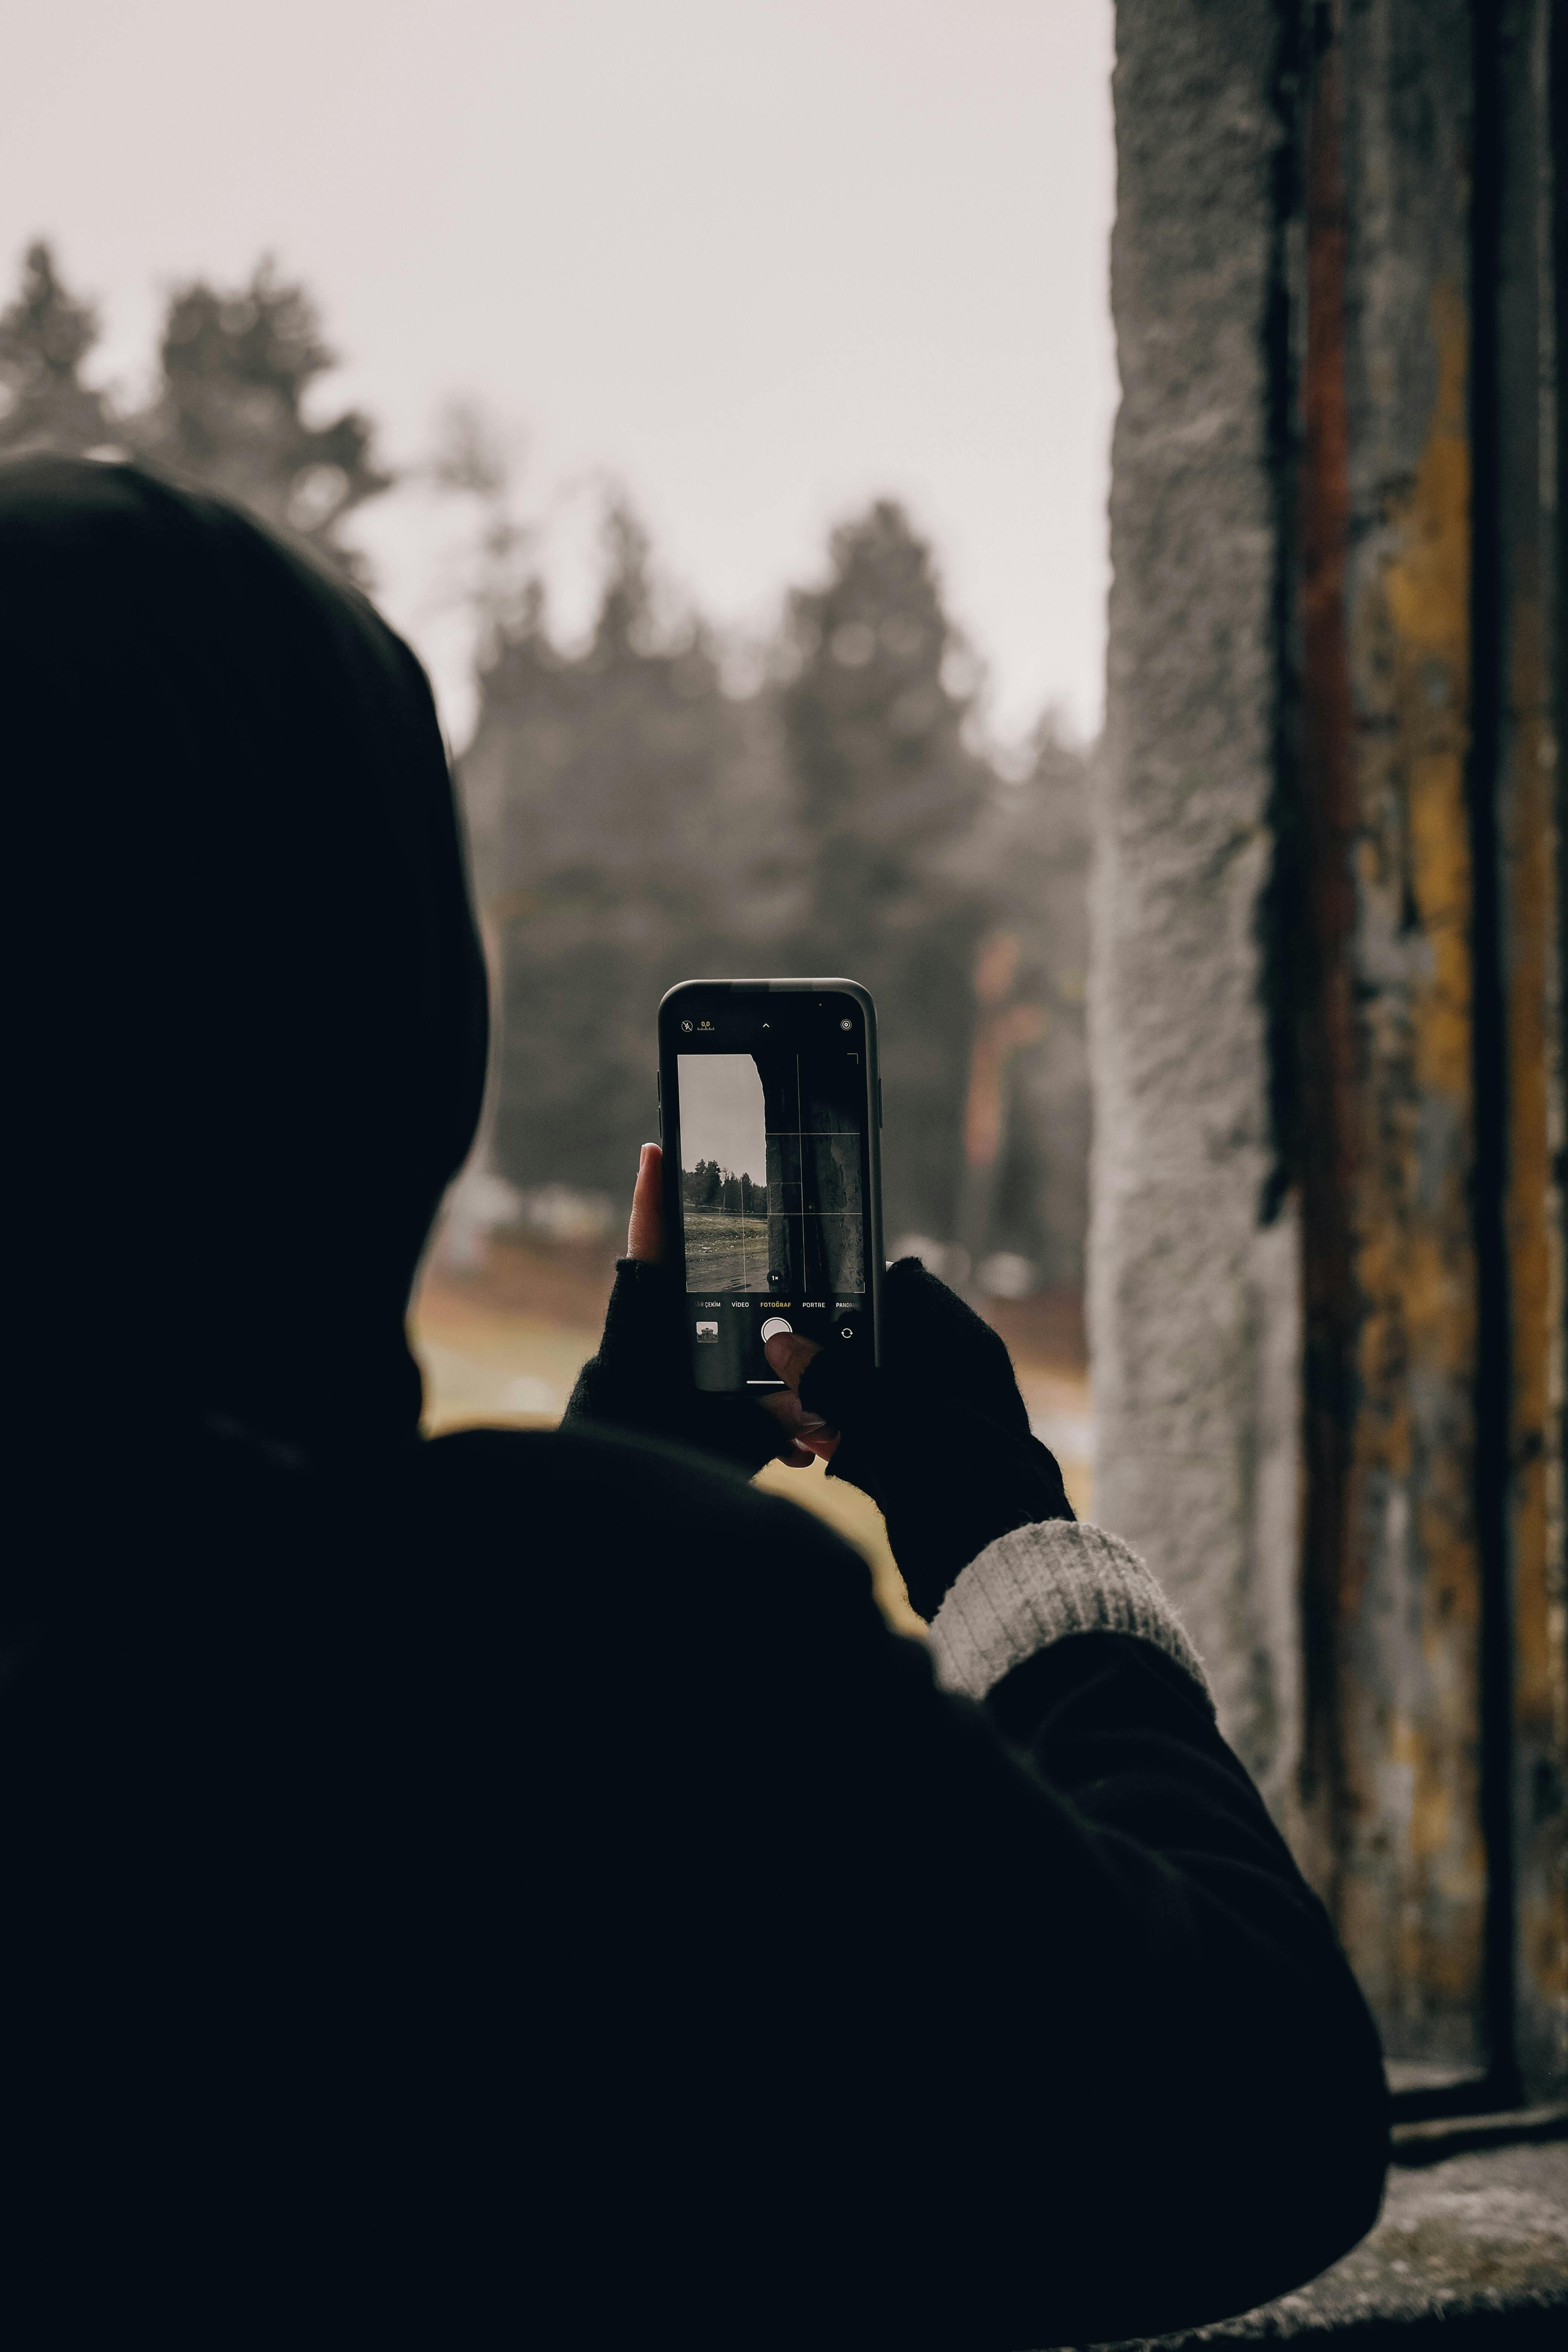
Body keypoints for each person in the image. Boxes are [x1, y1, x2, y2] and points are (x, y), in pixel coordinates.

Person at [0, 453, 1387, 2346]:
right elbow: (1252, 2119)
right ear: (362, 996)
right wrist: (999, 1529)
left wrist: (630, 1457)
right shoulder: (619, 1632)